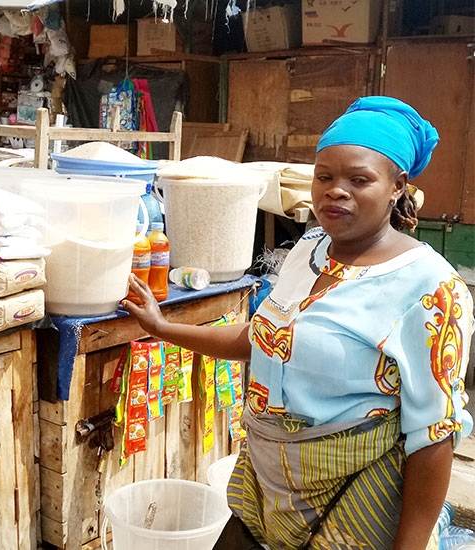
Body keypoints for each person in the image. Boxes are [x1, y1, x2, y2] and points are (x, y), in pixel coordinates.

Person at [123, 96, 474, 550]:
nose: (335, 190)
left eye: (359, 179)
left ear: (397, 186)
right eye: (324, 177)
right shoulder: (308, 250)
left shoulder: (428, 288)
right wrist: (163, 327)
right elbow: (262, 339)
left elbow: (433, 438)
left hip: (353, 501)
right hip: (266, 480)